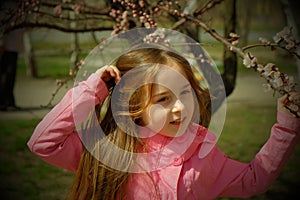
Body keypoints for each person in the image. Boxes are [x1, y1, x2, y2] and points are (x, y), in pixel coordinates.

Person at [27, 47, 300, 200]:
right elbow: (43, 143)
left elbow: (252, 180)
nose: (180, 107)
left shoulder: (201, 151)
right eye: (163, 99)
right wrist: (94, 89)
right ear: (133, 106)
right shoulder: (106, 150)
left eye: (185, 93)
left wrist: (287, 126)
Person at [0, 29, 24, 111]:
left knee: (10, 76)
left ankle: (9, 101)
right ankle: (4, 101)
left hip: (13, 47)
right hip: (7, 48)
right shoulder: (6, 16)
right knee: (6, 75)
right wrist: (1, 43)